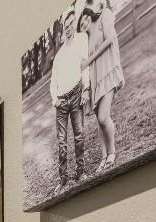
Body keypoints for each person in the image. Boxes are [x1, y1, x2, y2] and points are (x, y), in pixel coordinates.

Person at [49, 9, 90, 194]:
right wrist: (54, 100)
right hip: (61, 102)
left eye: (72, 23)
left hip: (76, 94)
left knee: (79, 134)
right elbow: (53, 82)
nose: (69, 27)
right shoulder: (58, 56)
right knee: (61, 142)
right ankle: (63, 179)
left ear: (75, 24)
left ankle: (80, 172)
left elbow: (85, 67)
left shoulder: (81, 41)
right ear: (62, 29)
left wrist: (86, 89)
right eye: (66, 25)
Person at [84, 0, 125, 172]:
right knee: (99, 122)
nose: (84, 22)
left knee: (103, 117)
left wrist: (90, 60)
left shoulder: (106, 15)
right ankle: (103, 157)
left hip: (108, 73)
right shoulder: (86, 33)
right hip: (96, 81)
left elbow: (110, 40)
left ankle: (112, 152)